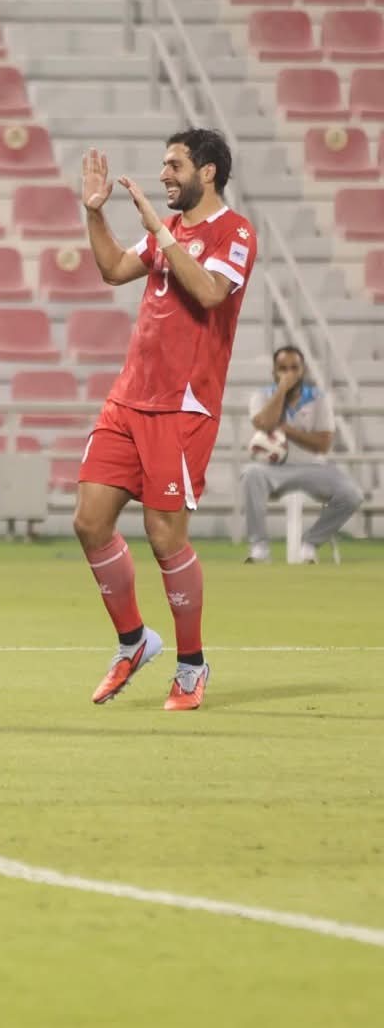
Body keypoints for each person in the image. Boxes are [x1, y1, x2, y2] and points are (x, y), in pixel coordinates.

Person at [74, 130, 254, 712]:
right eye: (163, 165)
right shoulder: (168, 230)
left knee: (164, 537)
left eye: (175, 165)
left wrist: (159, 230)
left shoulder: (235, 232)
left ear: (208, 171)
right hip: (129, 398)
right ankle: (133, 641)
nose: (164, 175)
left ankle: (191, 665)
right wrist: (94, 213)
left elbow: (210, 293)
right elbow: (112, 269)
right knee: (89, 521)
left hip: (182, 406)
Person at [240, 346, 362, 564]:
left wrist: (287, 430)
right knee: (251, 473)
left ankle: (310, 544)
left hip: (314, 466)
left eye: (294, 368)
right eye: (282, 368)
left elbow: (323, 444)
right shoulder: (261, 396)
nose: (288, 373)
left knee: (352, 494)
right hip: (273, 469)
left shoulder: (319, 398)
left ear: (303, 370)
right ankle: (259, 547)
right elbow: (264, 424)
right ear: (274, 372)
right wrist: (281, 390)